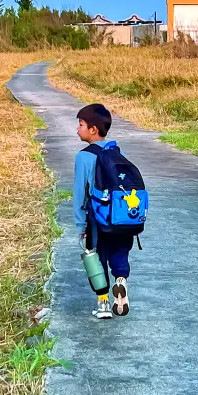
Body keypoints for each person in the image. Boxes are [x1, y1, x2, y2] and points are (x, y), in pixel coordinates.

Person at [73, 103, 134, 319]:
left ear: (93, 129)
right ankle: (121, 281)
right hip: (121, 218)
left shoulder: (84, 157)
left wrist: (81, 226)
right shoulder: (117, 151)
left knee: (96, 260)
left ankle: (103, 305)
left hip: (97, 220)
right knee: (119, 253)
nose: (77, 129)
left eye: (80, 124)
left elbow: (80, 195)